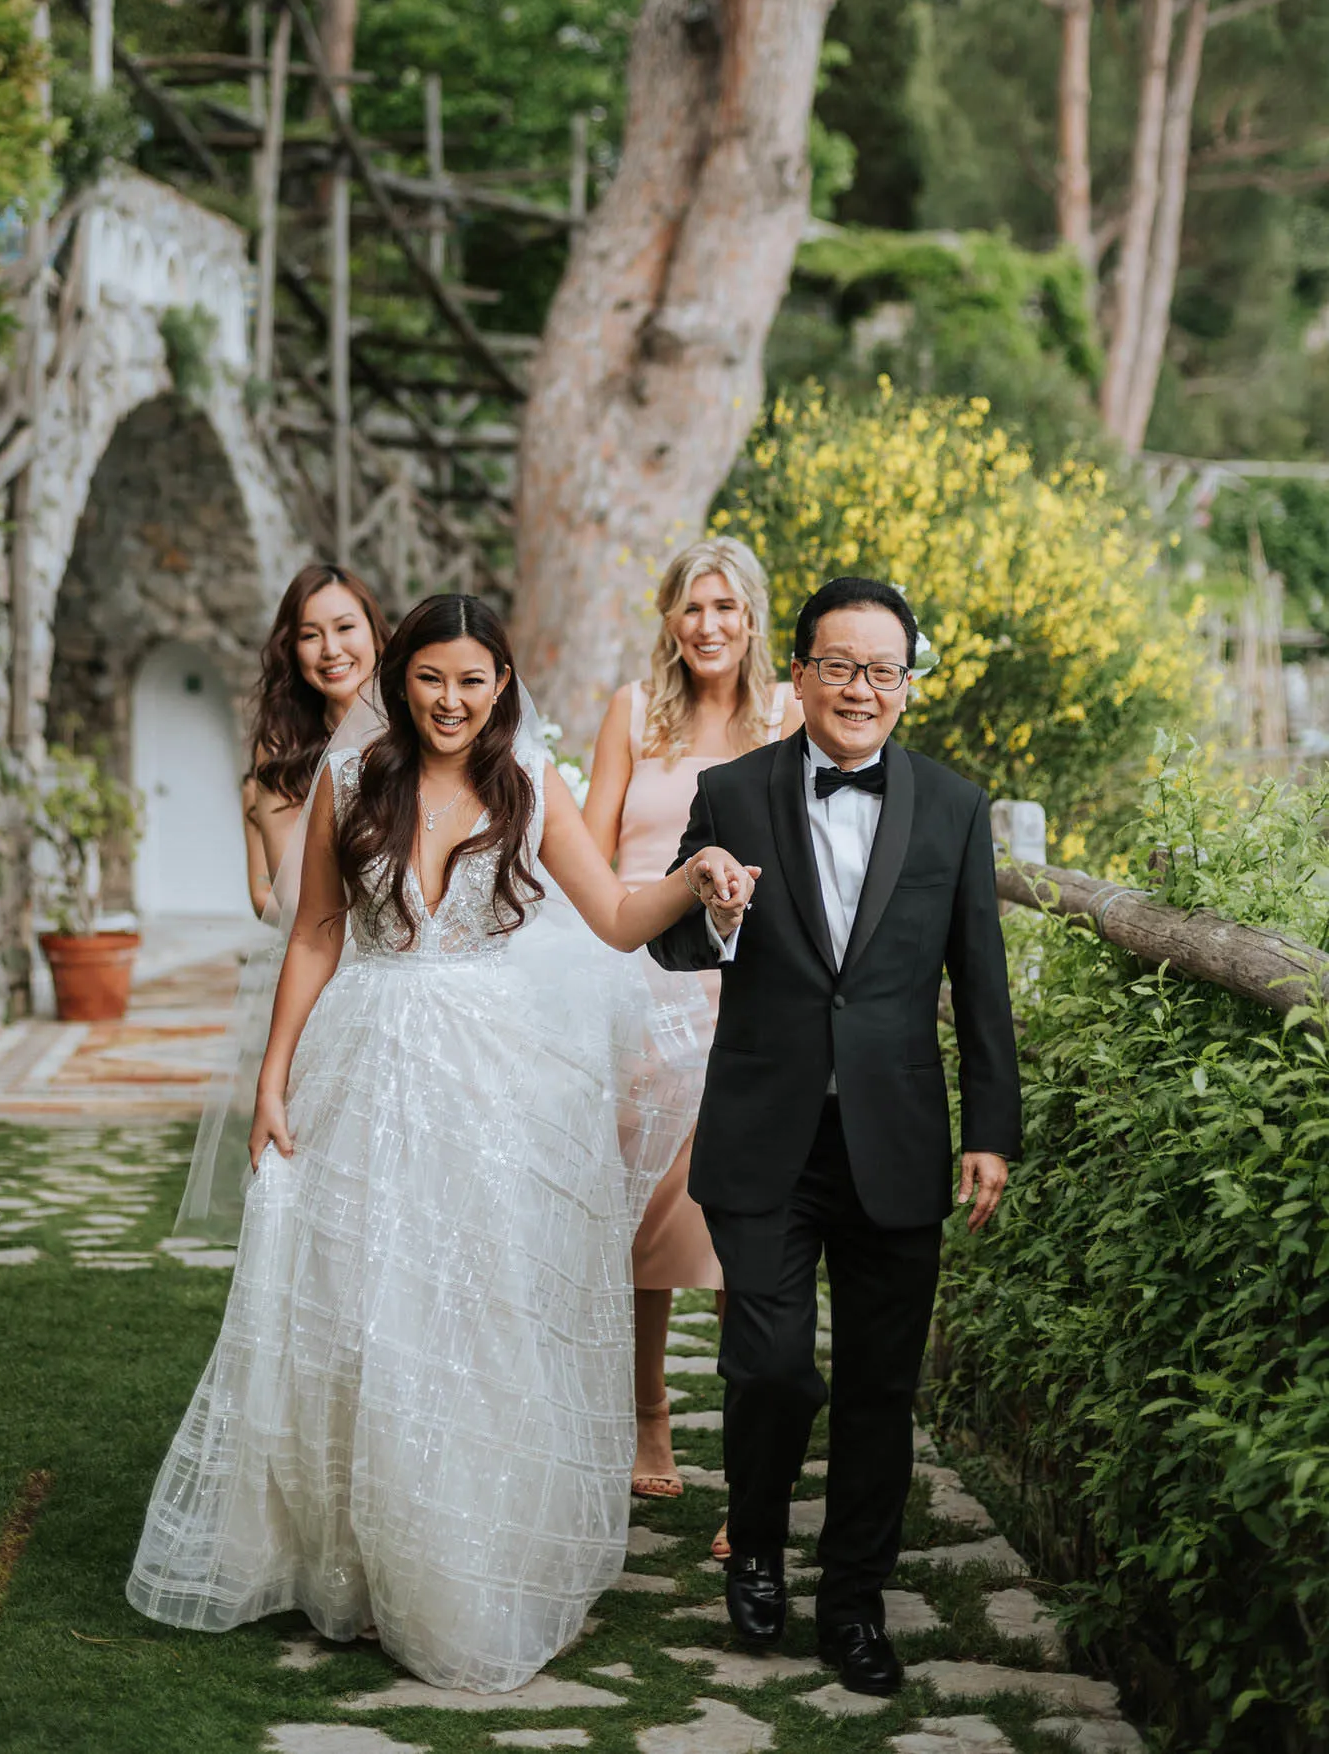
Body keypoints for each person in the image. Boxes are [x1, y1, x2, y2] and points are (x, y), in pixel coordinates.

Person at [129, 593, 757, 1692]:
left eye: (473, 680)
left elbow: (612, 914)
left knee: (476, 1305)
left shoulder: (533, 787)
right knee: (364, 1307)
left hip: (493, 1083)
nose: (452, 701)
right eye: (431, 679)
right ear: (399, 680)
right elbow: (319, 932)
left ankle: (468, 1551)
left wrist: (695, 881)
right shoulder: (347, 781)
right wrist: (274, 1078)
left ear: (501, 684)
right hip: (364, 1066)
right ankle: (359, 1561)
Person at [648, 575, 1021, 1699]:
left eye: (884, 670)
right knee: (769, 1366)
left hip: (899, 1139)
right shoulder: (733, 790)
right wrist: (712, 907)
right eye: (840, 666)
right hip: (766, 1132)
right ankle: (754, 1545)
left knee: (879, 1388)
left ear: (908, 685)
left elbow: (980, 979)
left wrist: (991, 1129)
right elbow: (671, 949)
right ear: (798, 672)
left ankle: (854, 1603)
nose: (862, 688)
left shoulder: (955, 808)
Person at [584, 536, 800, 1504]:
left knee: (746, 1227)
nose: (708, 626)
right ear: (669, 619)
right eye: (690, 607)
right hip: (638, 990)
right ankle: (647, 1420)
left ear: (752, 618)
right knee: (645, 1225)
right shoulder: (633, 712)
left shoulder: (789, 716)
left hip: (748, 993)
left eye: (726, 608)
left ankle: (745, 1464)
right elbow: (588, 857)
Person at [243, 563, 390, 915]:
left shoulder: (417, 725)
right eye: (310, 635)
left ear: (374, 632)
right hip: (328, 938)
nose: (331, 650)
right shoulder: (283, 749)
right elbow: (291, 894)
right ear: (291, 649)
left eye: (345, 628)